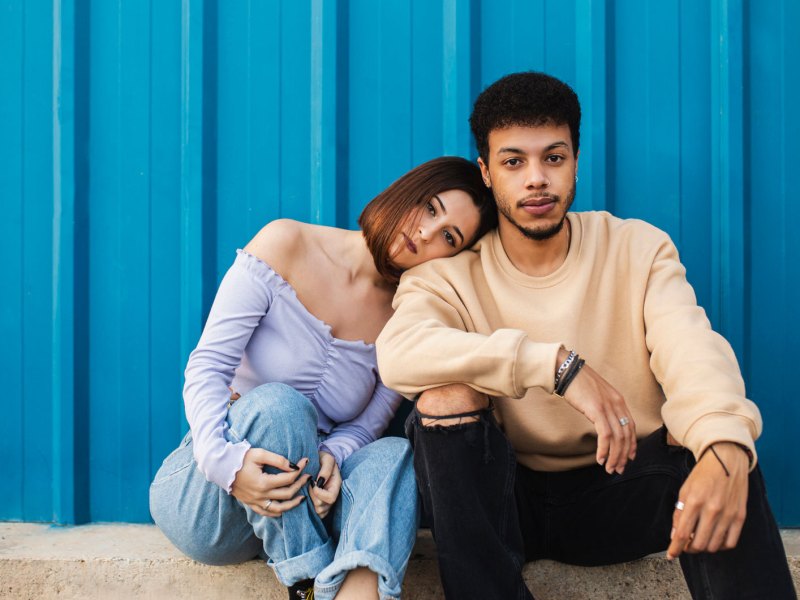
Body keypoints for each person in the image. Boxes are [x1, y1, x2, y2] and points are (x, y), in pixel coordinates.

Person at [376, 72, 796, 599]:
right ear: (485, 172)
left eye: (553, 158)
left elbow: (691, 349)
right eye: (513, 162)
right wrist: (554, 366)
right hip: (499, 505)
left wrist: (726, 446)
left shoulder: (637, 249)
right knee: (444, 398)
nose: (536, 179)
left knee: (718, 449)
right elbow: (397, 353)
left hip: (618, 490)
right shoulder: (446, 275)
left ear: (576, 159)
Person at [149, 156, 498, 600]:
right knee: (280, 405)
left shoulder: (406, 315)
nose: (427, 232)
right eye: (430, 208)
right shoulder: (287, 242)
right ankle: (308, 582)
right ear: (407, 191)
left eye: (449, 236)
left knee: (396, 452)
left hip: (308, 502)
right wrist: (228, 465)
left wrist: (330, 457)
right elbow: (207, 366)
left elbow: (365, 427)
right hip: (211, 499)